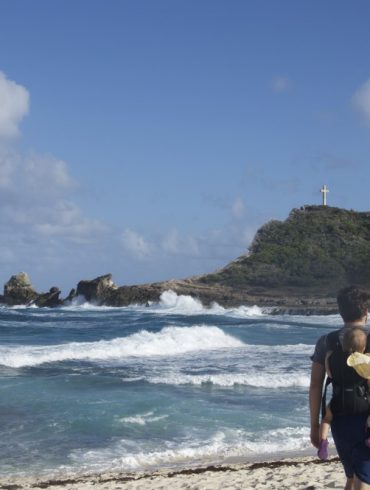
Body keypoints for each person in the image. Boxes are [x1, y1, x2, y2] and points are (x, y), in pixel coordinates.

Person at [309, 285, 370, 490]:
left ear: (340, 311)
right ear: (366, 312)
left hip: (338, 418)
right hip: (366, 420)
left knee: (351, 476)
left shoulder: (326, 341)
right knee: (364, 479)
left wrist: (315, 427)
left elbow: (316, 385)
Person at [318, 327, 370, 460]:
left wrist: (327, 357)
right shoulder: (363, 361)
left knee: (326, 419)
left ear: (343, 344)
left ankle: (323, 442)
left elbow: (329, 373)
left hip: (338, 401)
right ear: (363, 347)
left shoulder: (333, 359)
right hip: (360, 402)